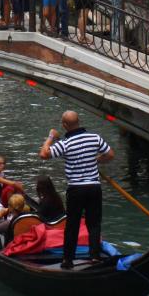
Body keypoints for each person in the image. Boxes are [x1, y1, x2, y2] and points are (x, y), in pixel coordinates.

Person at [39, 110, 115, 267]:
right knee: (94, 223)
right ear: (79, 122)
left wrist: (50, 137)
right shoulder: (95, 138)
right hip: (94, 187)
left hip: (76, 189)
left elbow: (44, 154)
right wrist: (96, 160)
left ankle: (68, 260)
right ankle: (94, 256)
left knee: (72, 224)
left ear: (65, 125)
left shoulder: (65, 144)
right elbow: (110, 155)